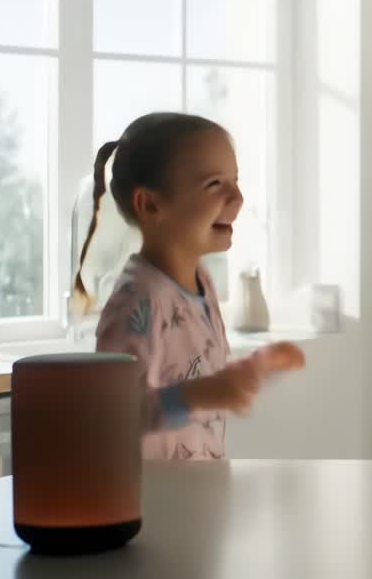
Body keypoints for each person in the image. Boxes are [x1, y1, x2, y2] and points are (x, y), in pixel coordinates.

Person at [73, 112, 305, 461]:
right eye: (214, 184)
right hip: (153, 505)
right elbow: (112, 418)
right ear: (151, 204)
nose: (238, 198)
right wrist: (201, 396)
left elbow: (196, 374)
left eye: (235, 181)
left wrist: (255, 368)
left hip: (199, 495)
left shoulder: (203, 284)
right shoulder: (137, 301)